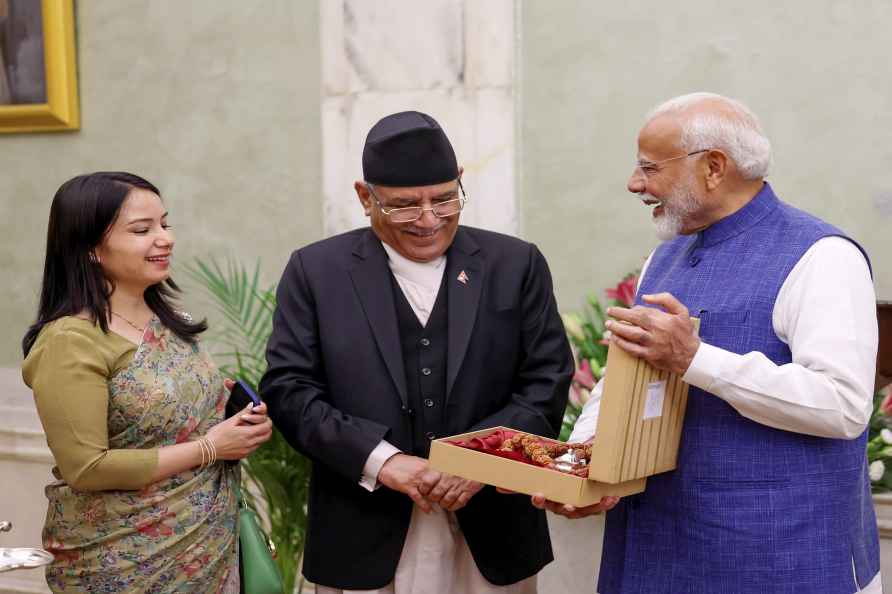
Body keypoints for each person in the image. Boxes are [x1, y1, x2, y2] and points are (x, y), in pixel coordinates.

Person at [539, 92, 881, 593]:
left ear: (714, 167)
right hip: (654, 550)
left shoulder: (823, 256)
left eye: (649, 168)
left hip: (777, 555)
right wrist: (589, 458)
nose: (635, 184)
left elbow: (844, 406)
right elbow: (628, 373)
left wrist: (696, 359)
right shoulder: (667, 254)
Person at [260, 111, 574, 593]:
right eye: (405, 206)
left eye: (445, 199)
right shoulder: (315, 271)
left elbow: (547, 381)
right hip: (363, 528)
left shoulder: (516, 263)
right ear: (365, 197)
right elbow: (290, 390)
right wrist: (383, 461)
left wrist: (475, 462)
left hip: (491, 528)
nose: (429, 220)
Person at [21, 172, 273, 593]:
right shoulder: (71, 341)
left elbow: (168, 410)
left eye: (164, 223)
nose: (165, 238)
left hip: (209, 546)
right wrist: (211, 447)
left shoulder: (170, 324)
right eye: (142, 229)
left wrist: (237, 418)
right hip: (124, 561)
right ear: (90, 249)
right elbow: (85, 467)